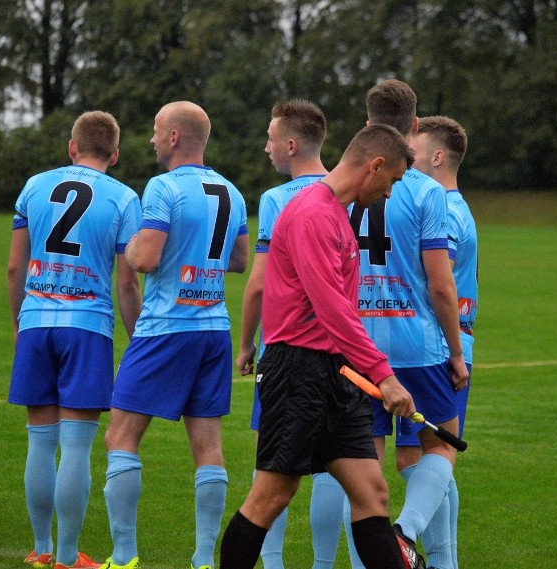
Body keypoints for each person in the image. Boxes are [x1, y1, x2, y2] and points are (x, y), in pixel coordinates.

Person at [219, 124, 425, 569]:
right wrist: (384, 376)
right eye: (391, 182)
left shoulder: (335, 212)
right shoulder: (313, 213)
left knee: (373, 493)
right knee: (270, 496)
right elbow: (332, 309)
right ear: (376, 166)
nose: (389, 194)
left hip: (336, 375)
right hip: (297, 373)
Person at [99, 101, 249, 569]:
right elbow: (240, 260)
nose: (151, 139)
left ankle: (124, 557)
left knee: (120, 437)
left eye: (157, 130)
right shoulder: (232, 191)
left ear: (176, 138)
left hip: (166, 326)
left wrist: (134, 244)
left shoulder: (162, 188)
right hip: (214, 329)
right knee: (208, 445)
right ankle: (205, 560)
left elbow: (143, 260)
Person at [7, 111, 142, 569]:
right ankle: (67, 556)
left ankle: (41, 549)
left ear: (71, 146)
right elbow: (127, 284)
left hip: (36, 321)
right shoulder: (124, 198)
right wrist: (138, 341)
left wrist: (20, 322)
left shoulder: (34, 185)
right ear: (116, 154)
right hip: (87, 326)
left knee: (40, 442)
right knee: (78, 447)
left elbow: (13, 267)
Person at [344, 80, 469, 569]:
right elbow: (442, 286)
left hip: (358, 349)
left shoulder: (343, 185)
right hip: (417, 345)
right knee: (442, 442)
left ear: (367, 121)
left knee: (361, 472)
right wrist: (456, 353)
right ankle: (406, 532)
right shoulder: (425, 191)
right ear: (414, 127)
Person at [236, 99, 346, 569]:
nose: (266, 147)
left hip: (291, 350)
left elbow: (258, 283)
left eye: (271, 137)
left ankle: (274, 563)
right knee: (333, 466)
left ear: (292, 144)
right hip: (343, 348)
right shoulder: (347, 190)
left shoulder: (279, 199)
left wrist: (245, 343)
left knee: (274, 469)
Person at [407, 116, 477, 569]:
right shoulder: (450, 204)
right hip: (441, 345)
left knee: (429, 455)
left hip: (436, 348)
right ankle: (443, 563)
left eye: (412, 152)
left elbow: (441, 279)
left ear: (436, 157)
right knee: (434, 457)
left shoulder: (445, 208)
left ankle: (404, 535)